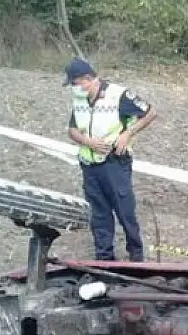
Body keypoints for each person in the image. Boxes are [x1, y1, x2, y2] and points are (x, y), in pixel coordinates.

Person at [64, 57, 157, 261]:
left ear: (87, 79)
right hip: (89, 165)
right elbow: (72, 130)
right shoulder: (80, 99)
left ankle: (136, 255)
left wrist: (128, 134)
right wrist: (88, 141)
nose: (73, 88)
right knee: (98, 215)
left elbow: (149, 112)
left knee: (125, 212)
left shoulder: (118, 95)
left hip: (114, 163)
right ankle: (104, 258)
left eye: (75, 83)